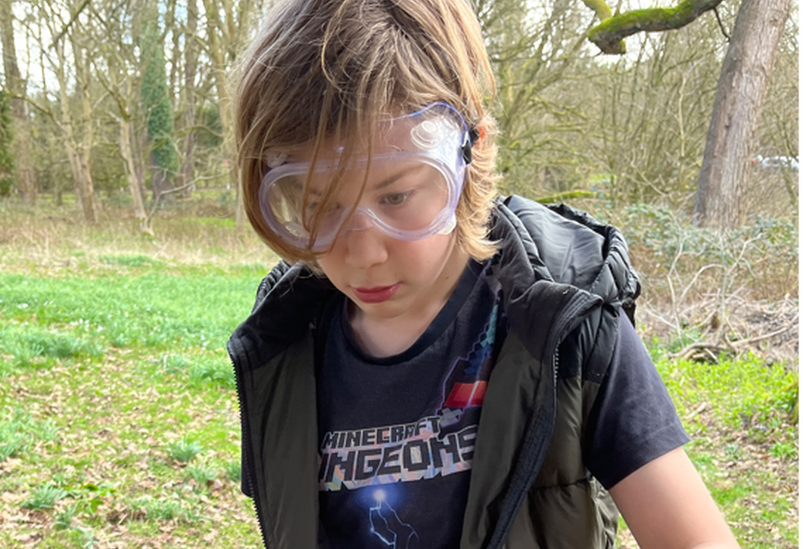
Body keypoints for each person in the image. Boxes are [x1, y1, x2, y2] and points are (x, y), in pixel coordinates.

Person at [226, 1, 740, 548]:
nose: (363, 252)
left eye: (396, 196)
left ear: (471, 152)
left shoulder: (567, 319)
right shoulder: (282, 347)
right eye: (318, 204)